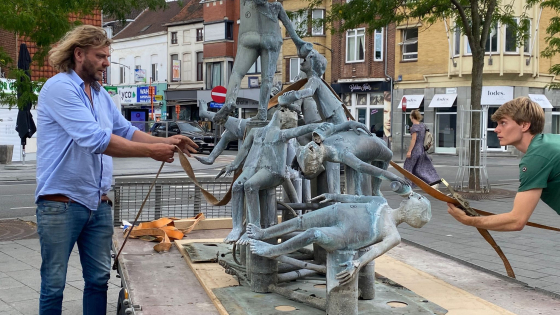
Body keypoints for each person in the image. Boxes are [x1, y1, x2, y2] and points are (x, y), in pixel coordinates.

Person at [35, 25, 198, 315]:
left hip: (97, 204)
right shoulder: (59, 88)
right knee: (54, 284)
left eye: (108, 56)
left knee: (99, 280)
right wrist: (152, 151)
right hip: (61, 204)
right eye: (101, 56)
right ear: (79, 54)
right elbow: (94, 140)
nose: (107, 63)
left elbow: (127, 131)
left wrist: (166, 141)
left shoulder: (99, 94)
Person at [247, 192, 431, 285]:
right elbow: (356, 198)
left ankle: (271, 251)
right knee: (301, 220)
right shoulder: (380, 201)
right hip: (337, 211)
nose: (413, 196)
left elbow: (375, 251)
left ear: (413, 212)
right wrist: (334, 196)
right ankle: (264, 233)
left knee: (313, 234)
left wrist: (357, 264)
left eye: (418, 199)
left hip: (343, 236)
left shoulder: (393, 235)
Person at [448, 97, 560, 231]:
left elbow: (516, 221)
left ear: (524, 125)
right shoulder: (550, 143)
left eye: (503, 123)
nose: (496, 129)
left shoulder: (537, 156)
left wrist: (468, 220)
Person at [404, 109, 441, 189]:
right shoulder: (423, 126)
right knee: (420, 168)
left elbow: (414, 140)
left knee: (407, 167)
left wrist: (409, 151)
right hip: (422, 150)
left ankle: (408, 185)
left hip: (415, 150)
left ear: (412, 117)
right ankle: (433, 181)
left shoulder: (414, 127)